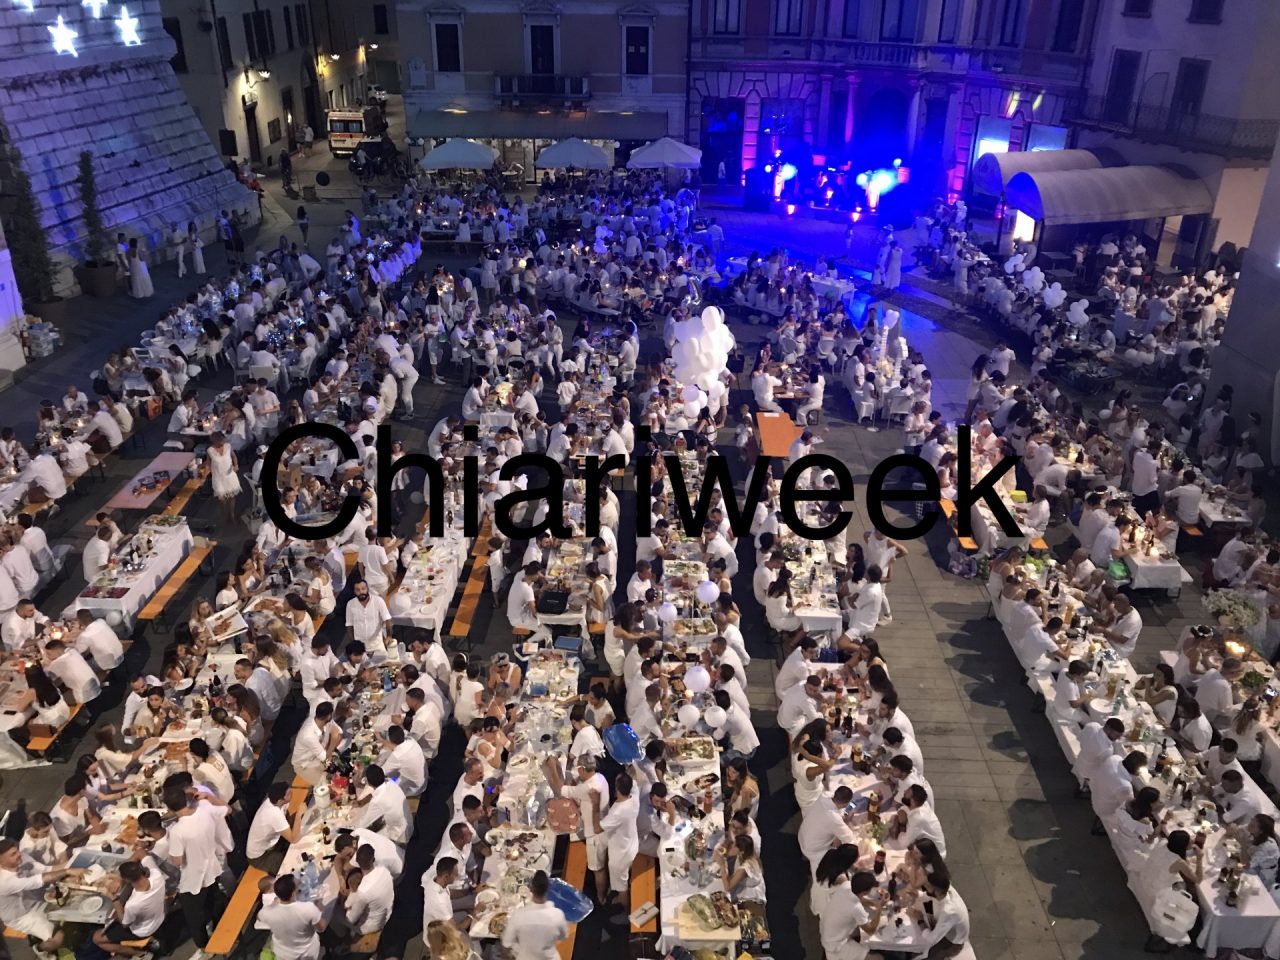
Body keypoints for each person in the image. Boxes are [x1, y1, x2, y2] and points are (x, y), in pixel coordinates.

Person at [0, 837, 82, 953]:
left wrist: (73, 863)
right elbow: (41, 879)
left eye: (17, 850)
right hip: (21, 916)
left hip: (36, 901)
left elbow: (45, 870)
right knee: (58, 938)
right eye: (13, 854)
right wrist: (68, 871)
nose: (19, 854)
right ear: (1, 861)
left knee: (72, 914)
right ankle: (40, 948)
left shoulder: (22, 857)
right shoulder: (4, 882)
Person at [92, 859, 166, 956]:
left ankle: (140, 953)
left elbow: (125, 923)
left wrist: (113, 898)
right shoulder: (157, 875)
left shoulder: (133, 904)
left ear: (126, 879)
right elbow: (143, 854)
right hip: (159, 916)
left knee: (97, 938)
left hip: (144, 930)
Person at [500, 870, 568, 960]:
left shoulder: (518, 916)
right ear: (548, 889)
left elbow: (506, 944)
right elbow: (563, 936)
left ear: (531, 889)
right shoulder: (558, 915)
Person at [255, 873, 324, 960]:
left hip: (284, 954)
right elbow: (321, 928)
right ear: (293, 894)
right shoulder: (308, 908)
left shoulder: (267, 912)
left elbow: (258, 917)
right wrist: (319, 909)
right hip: (307, 953)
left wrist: (272, 905)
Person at [820, 869, 883, 960]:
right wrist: (879, 909)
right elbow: (870, 930)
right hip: (836, 945)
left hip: (827, 932)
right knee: (878, 958)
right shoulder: (856, 908)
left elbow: (858, 898)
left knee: (859, 932)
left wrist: (873, 903)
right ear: (865, 892)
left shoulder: (847, 885)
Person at [246, 781, 305, 871]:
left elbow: (286, 818)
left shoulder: (276, 802)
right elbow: (293, 839)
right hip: (261, 856)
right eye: (289, 794)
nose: (292, 793)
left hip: (274, 841)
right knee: (291, 865)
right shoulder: (273, 814)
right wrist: (298, 815)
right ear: (280, 800)